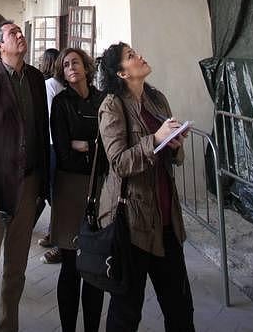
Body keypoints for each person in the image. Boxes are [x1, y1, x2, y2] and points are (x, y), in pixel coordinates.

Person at [98, 42, 194, 332]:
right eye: (131, 56)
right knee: (126, 313)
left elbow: (174, 157)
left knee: (180, 309)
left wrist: (175, 145)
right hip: (132, 223)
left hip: (166, 219)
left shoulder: (157, 98)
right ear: (122, 73)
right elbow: (118, 163)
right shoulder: (112, 105)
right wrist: (154, 140)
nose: (139, 56)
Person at [0, 21, 50, 332]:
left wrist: (42, 185)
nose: (20, 36)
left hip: (28, 187)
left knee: (16, 270)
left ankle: (7, 327)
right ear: (0, 45)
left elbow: (42, 131)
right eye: (13, 33)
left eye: (20, 32)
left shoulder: (36, 79)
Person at [50, 48, 105, 332]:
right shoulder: (61, 103)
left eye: (76, 62)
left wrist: (84, 145)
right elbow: (63, 149)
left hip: (99, 184)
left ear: (87, 66)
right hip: (70, 188)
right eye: (66, 64)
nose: (71, 67)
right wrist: (91, 147)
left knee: (94, 266)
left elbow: (109, 145)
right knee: (71, 264)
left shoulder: (102, 100)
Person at [37, 47, 63, 263]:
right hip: (59, 144)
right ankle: (55, 232)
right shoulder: (59, 84)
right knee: (53, 192)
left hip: (52, 144)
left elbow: (46, 118)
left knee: (52, 192)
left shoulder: (49, 85)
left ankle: (60, 239)